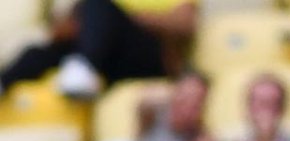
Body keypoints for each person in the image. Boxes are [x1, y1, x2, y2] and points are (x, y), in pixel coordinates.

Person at [0, 0, 197, 99]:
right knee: (40, 51)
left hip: (150, 57)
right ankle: (4, 81)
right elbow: (62, 27)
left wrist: (138, 19)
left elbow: (185, 24)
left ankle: (86, 66)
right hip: (106, 56)